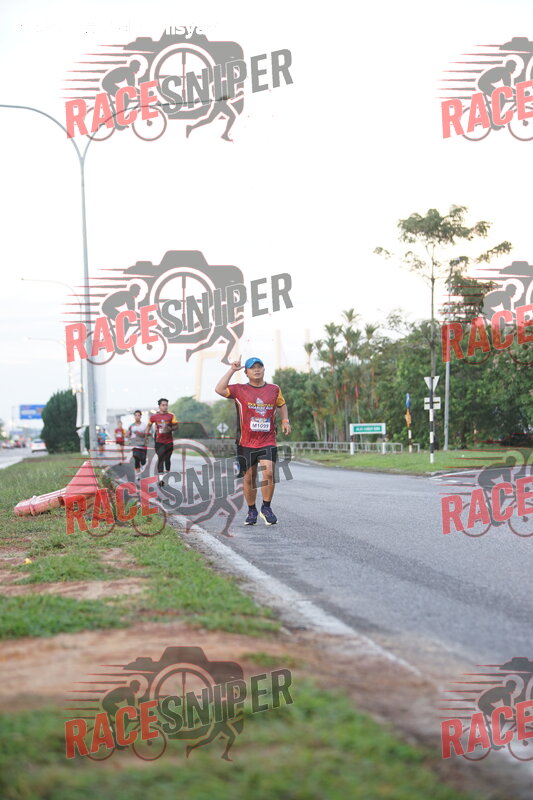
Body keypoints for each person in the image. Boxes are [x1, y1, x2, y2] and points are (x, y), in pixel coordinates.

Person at [215, 357, 291, 525]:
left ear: (264, 369)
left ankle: (266, 507)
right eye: (252, 367)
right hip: (246, 442)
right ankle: (251, 510)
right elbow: (219, 389)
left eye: (259, 366)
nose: (256, 370)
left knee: (269, 472)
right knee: (249, 477)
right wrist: (232, 370)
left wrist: (285, 420)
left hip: (267, 439)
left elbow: (282, 404)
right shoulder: (239, 389)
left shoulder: (274, 389)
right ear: (246, 372)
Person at [146, 399, 178, 486]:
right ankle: (161, 479)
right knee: (161, 458)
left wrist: (171, 428)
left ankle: (166, 474)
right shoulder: (154, 417)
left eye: (166, 405)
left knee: (167, 459)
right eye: (163, 405)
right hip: (159, 441)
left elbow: (176, 426)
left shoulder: (171, 416)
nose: (165, 407)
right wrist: (146, 436)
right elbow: (148, 426)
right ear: (159, 406)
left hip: (169, 441)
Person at [128, 410, 148, 481]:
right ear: (134, 416)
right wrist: (129, 438)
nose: (137, 417)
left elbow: (147, 434)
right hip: (135, 445)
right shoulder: (131, 426)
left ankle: (143, 463)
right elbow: (128, 434)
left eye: (138, 415)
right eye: (136, 415)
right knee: (136, 458)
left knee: (143, 460)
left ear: (140, 416)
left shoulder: (144, 425)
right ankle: (138, 474)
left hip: (143, 445)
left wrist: (142, 436)